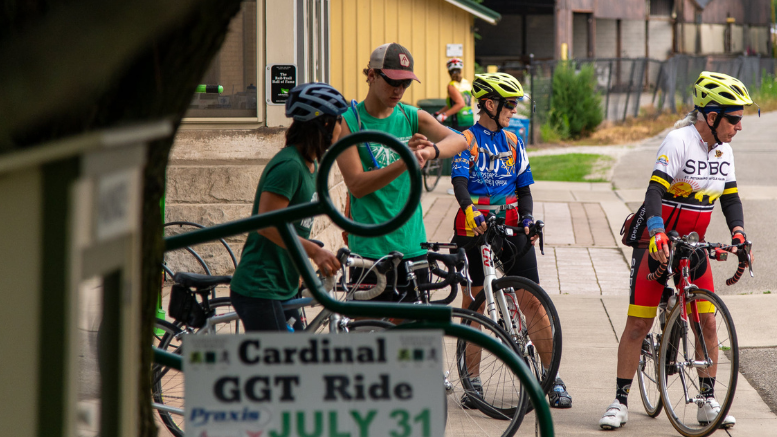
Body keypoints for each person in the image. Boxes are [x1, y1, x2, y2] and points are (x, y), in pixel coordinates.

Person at [599, 71, 754, 429]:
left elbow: (730, 198)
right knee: (638, 323)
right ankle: (620, 400)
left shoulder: (724, 150)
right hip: (658, 243)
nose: (739, 127)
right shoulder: (678, 141)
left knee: (708, 323)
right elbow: (654, 193)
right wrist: (656, 233)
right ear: (711, 117)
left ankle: (706, 398)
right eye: (735, 119)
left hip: (693, 246)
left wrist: (739, 233)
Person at [449, 72, 572, 409]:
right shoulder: (466, 139)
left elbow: (524, 189)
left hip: (511, 228)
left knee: (532, 301)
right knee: (475, 303)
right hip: (473, 228)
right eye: (510, 104)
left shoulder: (514, 142)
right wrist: (468, 208)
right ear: (489, 104)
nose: (514, 110)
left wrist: (529, 221)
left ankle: (551, 376)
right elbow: (459, 182)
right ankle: (472, 381)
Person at [335, 42, 467, 301]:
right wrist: (405, 159)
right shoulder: (349, 122)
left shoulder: (409, 116)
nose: (399, 90)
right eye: (392, 81)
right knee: (369, 335)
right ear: (371, 75)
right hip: (370, 251)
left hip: (412, 245)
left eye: (405, 83)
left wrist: (429, 153)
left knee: (412, 337)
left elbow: (461, 140)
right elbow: (357, 185)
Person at [230, 83, 347, 331]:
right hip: (260, 287)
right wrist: (314, 252)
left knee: (299, 361)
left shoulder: (311, 166)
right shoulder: (290, 166)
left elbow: (292, 226)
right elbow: (266, 223)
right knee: (282, 367)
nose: (342, 127)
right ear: (325, 124)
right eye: (339, 120)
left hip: (284, 285)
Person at [434, 58, 474, 132]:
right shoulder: (466, 83)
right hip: (469, 118)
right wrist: (439, 112)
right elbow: (453, 104)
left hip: (459, 121)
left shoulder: (452, 85)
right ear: (461, 71)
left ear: (448, 72)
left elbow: (460, 104)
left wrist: (444, 115)